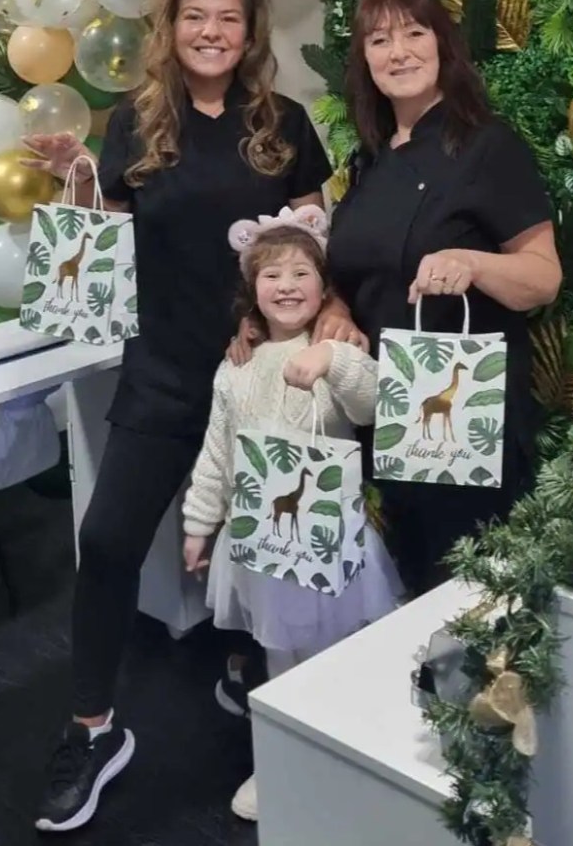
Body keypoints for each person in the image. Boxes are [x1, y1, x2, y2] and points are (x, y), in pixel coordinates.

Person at [22, 0, 363, 834]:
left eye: (229, 20)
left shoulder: (283, 125)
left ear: (250, 34)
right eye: (195, 18)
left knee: (269, 540)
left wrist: (327, 320)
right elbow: (105, 244)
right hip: (165, 370)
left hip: (263, 374)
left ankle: (255, 669)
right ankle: (93, 728)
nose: (212, 32)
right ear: (169, 30)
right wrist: (79, 181)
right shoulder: (136, 123)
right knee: (106, 542)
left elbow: (311, 248)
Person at [327, 0, 563, 595]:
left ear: (443, 46)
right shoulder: (369, 160)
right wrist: (334, 310)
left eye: (414, 33)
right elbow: (352, 274)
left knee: (472, 598)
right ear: (365, 59)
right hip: (390, 417)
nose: (397, 51)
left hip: (467, 428)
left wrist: (473, 262)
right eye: (379, 39)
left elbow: (543, 278)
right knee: (414, 584)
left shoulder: (488, 145)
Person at [181, 206, 402, 821]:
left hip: (329, 535)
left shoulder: (335, 347)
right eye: (272, 274)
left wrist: (333, 360)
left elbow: (375, 401)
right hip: (263, 543)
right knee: (278, 659)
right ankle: (279, 759)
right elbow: (218, 451)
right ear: (252, 290)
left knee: (337, 655)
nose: (286, 285)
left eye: (301, 272)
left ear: (324, 286)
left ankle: (345, 755)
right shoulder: (238, 365)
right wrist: (200, 524)